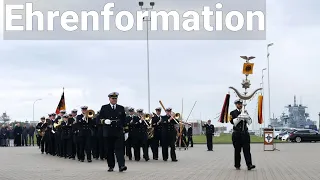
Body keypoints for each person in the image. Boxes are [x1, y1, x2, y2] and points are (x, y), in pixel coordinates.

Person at [99, 92, 127, 172]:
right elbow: (99, 119)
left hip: (118, 131)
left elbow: (124, 120)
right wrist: (104, 121)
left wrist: (126, 131)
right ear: (109, 99)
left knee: (119, 149)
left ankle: (121, 165)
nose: (114, 100)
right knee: (109, 150)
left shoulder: (120, 108)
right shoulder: (104, 108)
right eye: (113, 98)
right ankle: (111, 166)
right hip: (108, 132)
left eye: (115, 98)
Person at [230, 99, 256, 170]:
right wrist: (240, 117)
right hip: (237, 134)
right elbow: (233, 122)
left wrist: (246, 116)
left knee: (247, 150)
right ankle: (237, 165)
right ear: (236, 104)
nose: (240, 105)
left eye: (241, 104)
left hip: (245, 134)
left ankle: (249, 164)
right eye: (238, 104)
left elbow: (250, 122)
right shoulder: (232, 113)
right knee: (237, 150)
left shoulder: (245, 112)